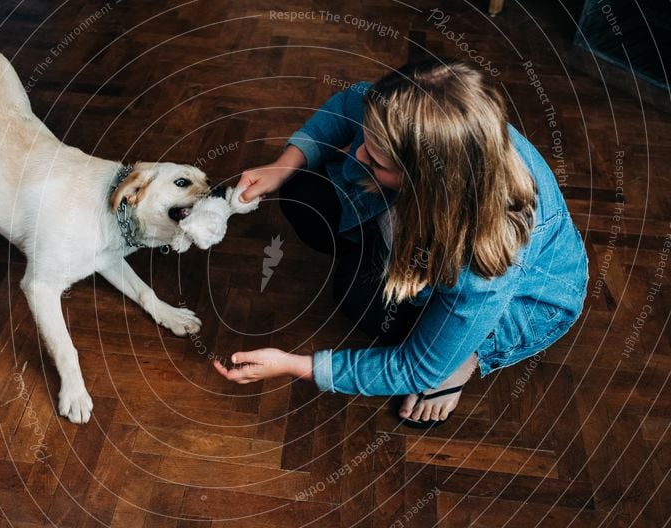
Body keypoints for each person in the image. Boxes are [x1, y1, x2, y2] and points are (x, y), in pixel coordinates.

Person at [213, 58, 589, 428]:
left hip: (516, 300)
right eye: (367, 139)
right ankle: (436, 322)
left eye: (376, 160)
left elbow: (415, 366)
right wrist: (284, 164)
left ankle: (463, 355)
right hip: (418, 232)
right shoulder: (414, 119)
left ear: (424, 181)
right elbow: (348, 104)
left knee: (361, 303)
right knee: (302, 191)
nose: (358, 154)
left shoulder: (484, 260)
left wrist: (295, 366)